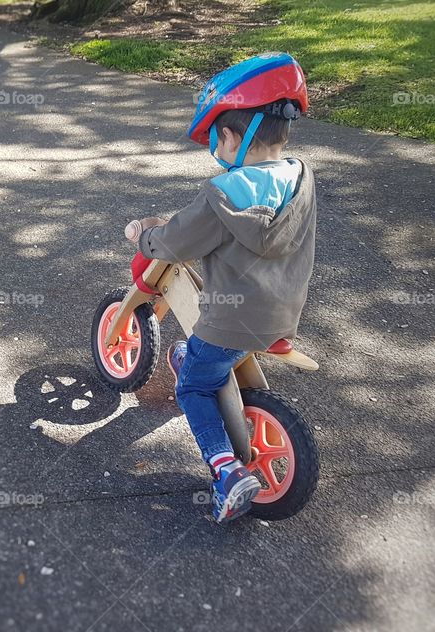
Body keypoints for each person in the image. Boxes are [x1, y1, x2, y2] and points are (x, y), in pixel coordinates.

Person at [124, 52, 317, 523]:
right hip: (284, 310)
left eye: (215, 140)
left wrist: (144, 235)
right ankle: (199, 362)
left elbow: (175, 242)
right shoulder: (301, 178)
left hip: (230, 321)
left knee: (192, 387)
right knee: (206, 356)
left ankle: (226, 469)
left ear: (230, 136)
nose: (216, 149)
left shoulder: (221, 195)